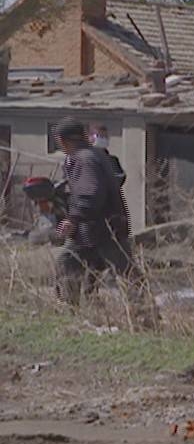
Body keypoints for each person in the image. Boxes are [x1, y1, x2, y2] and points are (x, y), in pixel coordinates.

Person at [53, 117, 136, 305]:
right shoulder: (96, 154)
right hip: (98, 229)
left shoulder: (85, 159)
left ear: (63, 140)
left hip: (102, 228)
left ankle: (144, 313)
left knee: (126, 274)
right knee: (73, 264)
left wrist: (73, 218)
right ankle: (74, 308)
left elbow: (91, 193)